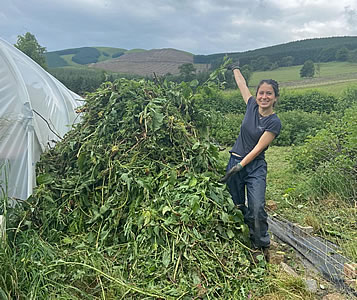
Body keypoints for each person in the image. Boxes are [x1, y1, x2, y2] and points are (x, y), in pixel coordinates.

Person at [221, 62, 282, 261]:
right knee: (236, 204)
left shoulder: (274, 122)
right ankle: (244, 237)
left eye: (269, 94)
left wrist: (239, 166)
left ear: (275, 98)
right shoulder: (251, 106)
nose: (264, 97)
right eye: (261, 93)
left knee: (256, 207)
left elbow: (257, 149)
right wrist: (235, 68)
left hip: (253, 166)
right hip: (235, 160)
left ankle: (261, 244)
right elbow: (242, 84)